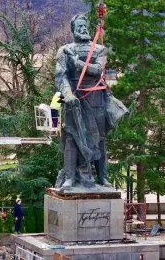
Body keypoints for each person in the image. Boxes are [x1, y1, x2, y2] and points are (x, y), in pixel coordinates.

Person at [54, 14, 128, 191]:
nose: (83, 29)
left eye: (84, 26)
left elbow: (98, 70)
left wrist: (78, 63)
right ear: (73, 30)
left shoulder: (99, 49)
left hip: (97, 101)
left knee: (99, 140)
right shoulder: (64, 50)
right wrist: (68, 94)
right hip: (74, 100)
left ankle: (102, 177)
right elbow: (60, 77)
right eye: (79, 27)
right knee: (72, 138)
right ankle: (70, 179)